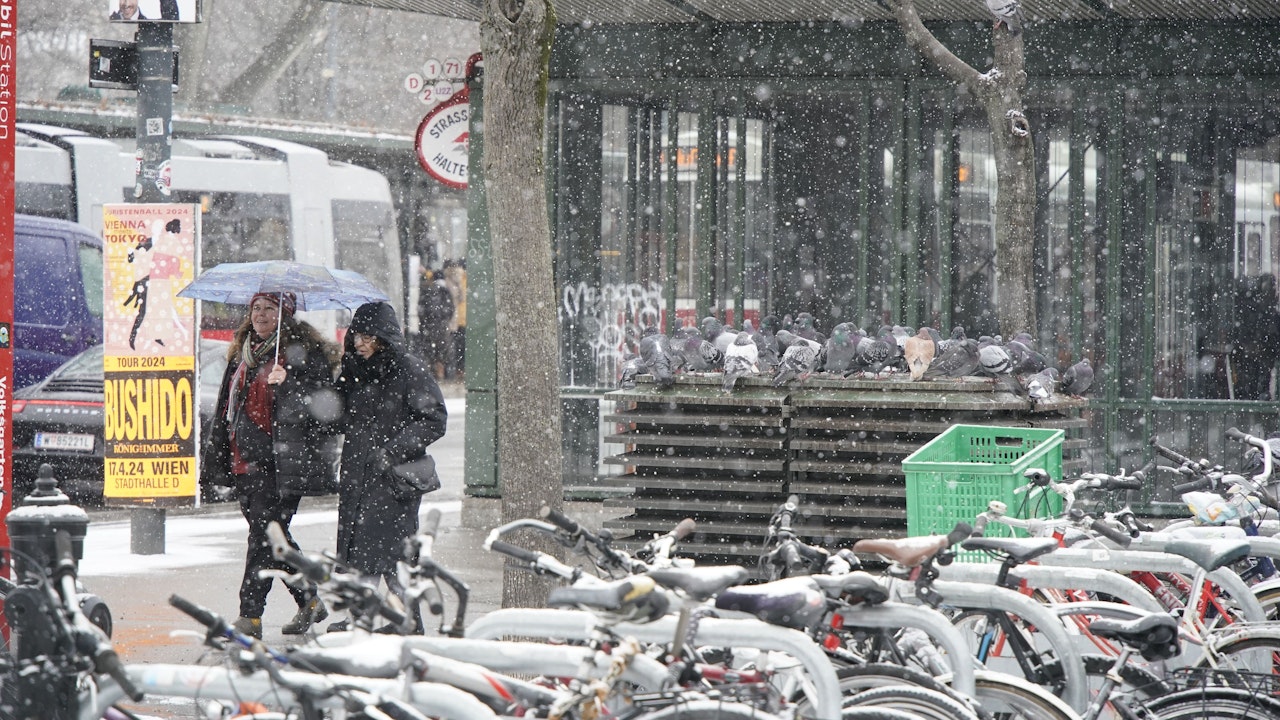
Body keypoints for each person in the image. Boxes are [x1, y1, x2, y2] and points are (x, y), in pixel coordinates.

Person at [200, 292, 341, 639]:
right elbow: (226, 408)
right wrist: (220, 454)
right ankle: (308, 599)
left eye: (270, 308)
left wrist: (289, 383)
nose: (260, 314)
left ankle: (250, 616)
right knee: (273, 538)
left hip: (281, 465)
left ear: (285, 315)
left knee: (262, 538)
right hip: (245, 461)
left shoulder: (303, 353)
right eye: (256, 308)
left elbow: (326, 411)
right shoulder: (243, 352)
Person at [330, 301, 447, 631]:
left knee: (391, 551)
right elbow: (334, 418)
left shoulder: (409, 369)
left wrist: (392, 451)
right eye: (356, 336)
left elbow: (434, 420)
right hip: (358, 474)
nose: (360, 343)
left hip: (393, 478)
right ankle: (374, 618)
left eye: (368, 337)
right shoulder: (354, 371)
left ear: (384, 338)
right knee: (361, 549)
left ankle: (398, 619)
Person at [417, 266, 454, 380]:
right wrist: (445, 319)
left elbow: (420, 309)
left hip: (428, 326)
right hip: (441, 326)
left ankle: (430, 371)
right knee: (441, 350)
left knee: (428, 349)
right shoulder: (446, 291)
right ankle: (440, 371)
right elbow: (451, 309)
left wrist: (424, 321)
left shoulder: (427, 289)